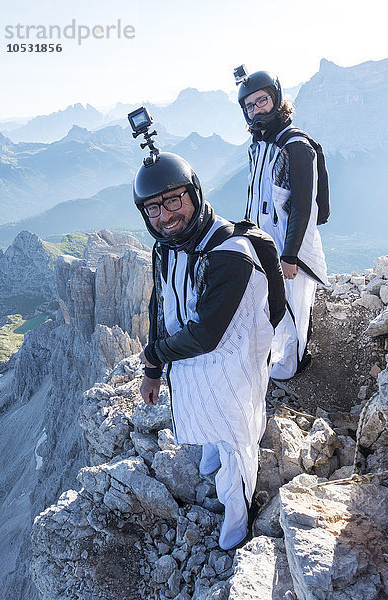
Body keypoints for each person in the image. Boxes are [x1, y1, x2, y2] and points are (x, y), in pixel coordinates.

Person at [133, 149, 283, 550]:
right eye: (152, 209)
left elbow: (207, 335)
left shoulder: (230, 253)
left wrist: (155, 356)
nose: (164, 217)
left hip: (234, 357)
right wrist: (152, 370)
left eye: (172, 201)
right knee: (209, 412)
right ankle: (213, 458)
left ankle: (238, 523)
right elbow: (160, 304)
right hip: (195, 359)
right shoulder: (166, 247)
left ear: (194, 194)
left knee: (236, 436)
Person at [237, 70, 329, 381]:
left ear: (276, 99)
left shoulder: (295, 146)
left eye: (261, 100)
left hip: (290, 245)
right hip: (263, 241)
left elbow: (303, 205)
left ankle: (296, 365)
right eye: (249, 106)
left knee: (294, 307)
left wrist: (289, 256)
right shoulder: (260, 145)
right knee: (270, 303)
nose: (256, 110)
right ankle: (276, 358)